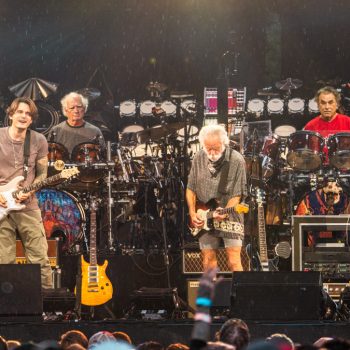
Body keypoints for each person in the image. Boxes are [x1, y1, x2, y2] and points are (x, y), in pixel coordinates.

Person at [0, 97, 53, 288]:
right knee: (4, 263)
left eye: (28, 114)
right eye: (20, 112)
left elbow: (42, 174)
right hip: (1, 208)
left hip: (28, 207)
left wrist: (30, 191)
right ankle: (6, 310)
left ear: (32, 119)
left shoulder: (38, 140)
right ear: (11, 113)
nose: (24, 116)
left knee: (40, 259)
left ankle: (47, 307)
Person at [186, 124, 247, 272]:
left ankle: (239, 295)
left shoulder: (237, 160)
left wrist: (226, 211)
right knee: (208, 259)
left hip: (230, 213)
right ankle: (210, 295)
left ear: (224, 143)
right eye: (208, 148)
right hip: (205, 215)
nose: (212, 152)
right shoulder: (198, 158)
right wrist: (192, 213)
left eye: (216, 148)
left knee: (233, 260)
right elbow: (190, 188)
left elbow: (237, 194)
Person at [49, 92, 105, 156]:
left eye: (79, 107)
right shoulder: (56, 130)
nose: (76, 111)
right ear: (66, 110)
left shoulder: (95, 131)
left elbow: (102, 156)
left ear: (84, 109)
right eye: (72, 108)